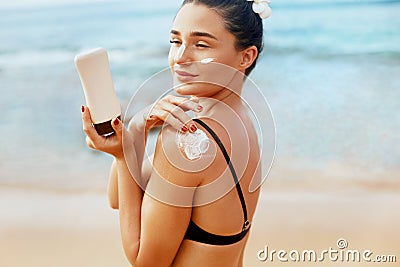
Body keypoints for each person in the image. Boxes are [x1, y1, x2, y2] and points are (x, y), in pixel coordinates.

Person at [81, 0, 270, 266]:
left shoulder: (187, 140)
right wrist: (135, 130)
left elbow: (145, 261)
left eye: (201, 44)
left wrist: (125, 155)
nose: (180, 57)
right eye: (175, 41)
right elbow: (121, 198)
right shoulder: (239, 121)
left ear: (246, 57)